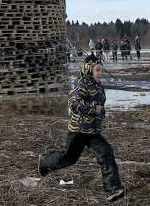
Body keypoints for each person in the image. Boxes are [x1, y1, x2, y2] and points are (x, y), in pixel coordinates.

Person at [38, 57, 126, 202]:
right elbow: (73, 103)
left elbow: (99, 106)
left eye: (100, 70)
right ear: (89, 71)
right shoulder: (82, 86)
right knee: (69, 159)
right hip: (78, 131)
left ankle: (113, 189)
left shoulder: (99, 87)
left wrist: (101, 112)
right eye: (97, 70)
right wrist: (93, 109)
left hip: (92, 131)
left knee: (106, 153)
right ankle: (44, 161)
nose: (99, 73)